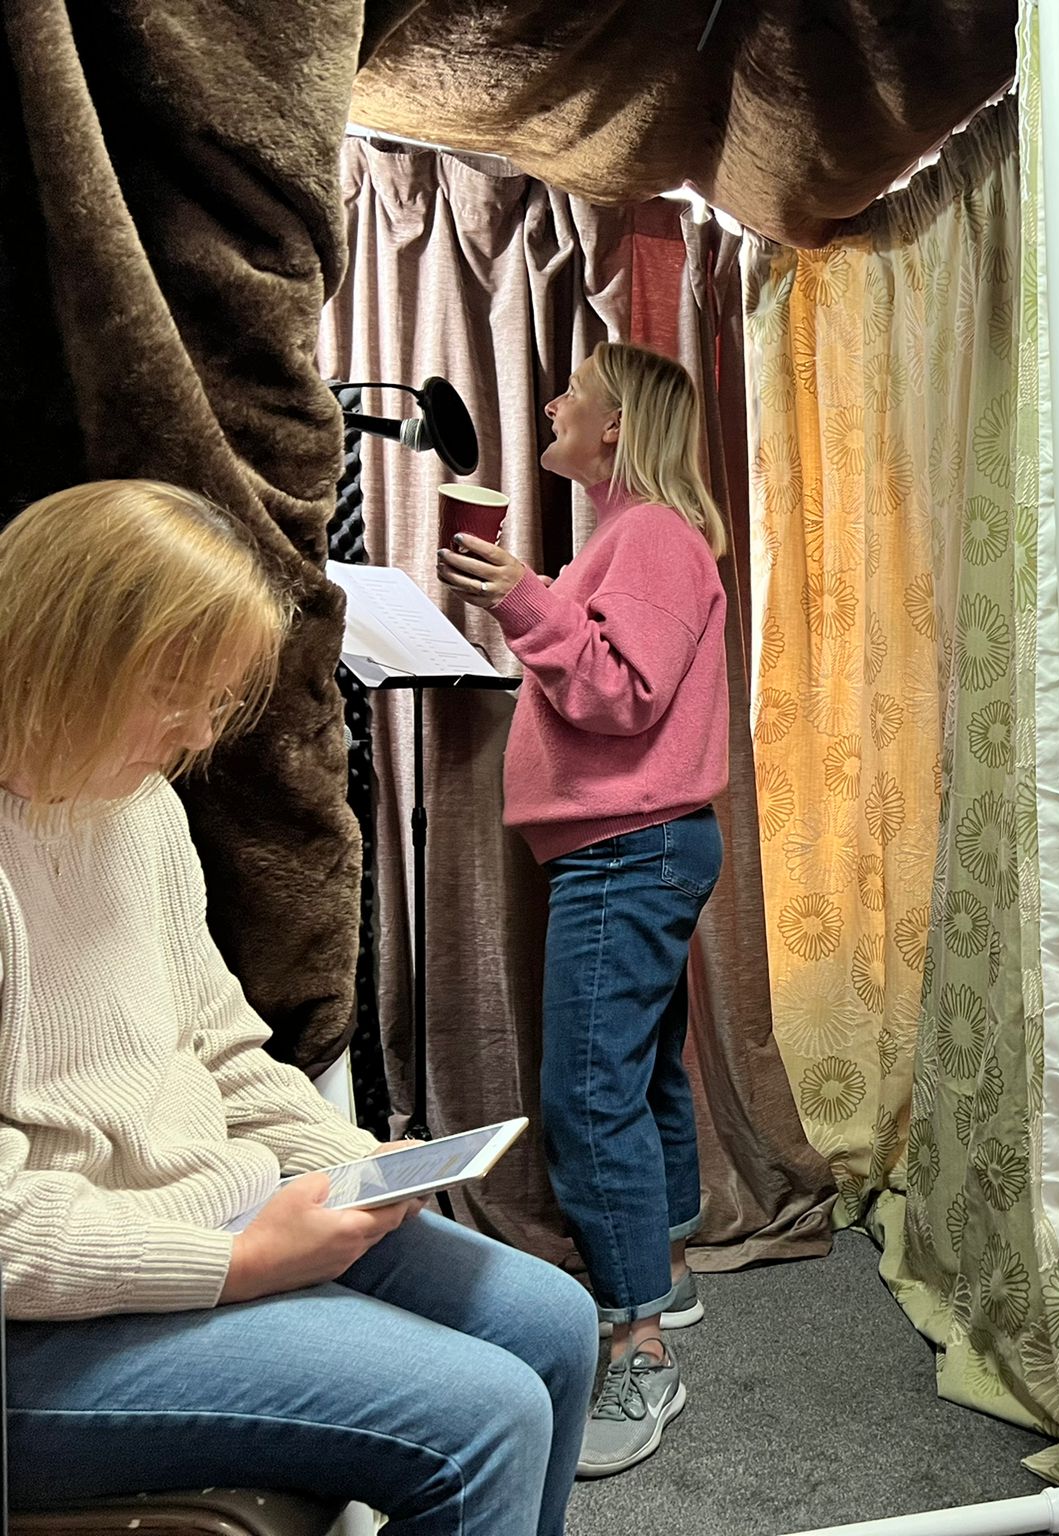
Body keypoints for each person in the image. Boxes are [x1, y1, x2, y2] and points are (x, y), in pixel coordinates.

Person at [2, 480, 597, 1535]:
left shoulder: (136, 804)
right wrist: (235, 1265)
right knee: (485, 1416)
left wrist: (357, 1167)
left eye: (216, 699)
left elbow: (221, 1049)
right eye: (172, 690)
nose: (197, 731)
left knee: (555, 1322)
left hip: (195, 1213)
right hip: (40, 1315)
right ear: (61, 650)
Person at [438, 341, 729, 1478]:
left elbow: (624, 694)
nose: (553, 401)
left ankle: (638, 1344)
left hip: (626, 849)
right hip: (635, 844)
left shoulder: (648, 534)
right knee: (640, 1073)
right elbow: (604, 671)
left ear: (616, 426)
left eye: (575, 393)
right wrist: (530, 598)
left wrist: (522, 596)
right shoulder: (628, 536)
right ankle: (665, 1272)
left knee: (589, 1094)